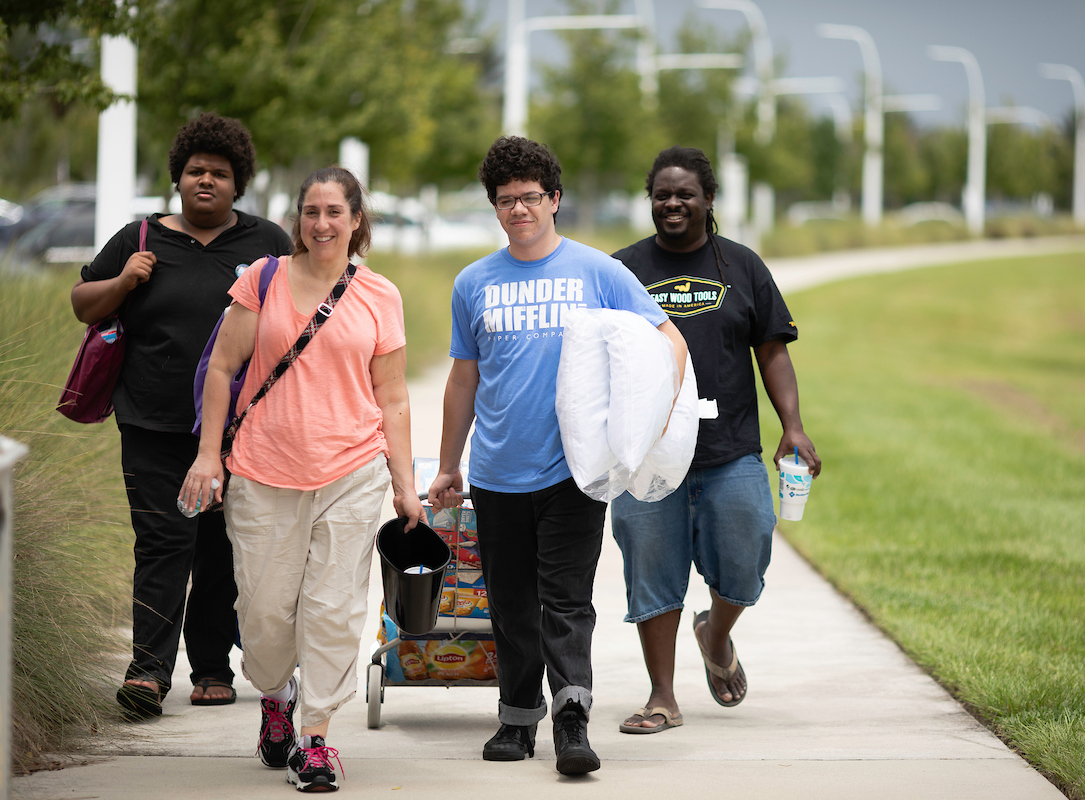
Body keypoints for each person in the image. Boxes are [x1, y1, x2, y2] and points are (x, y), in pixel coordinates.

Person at [427, 136, 687, 775]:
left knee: (567, 599)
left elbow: (668, 341)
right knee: (512, 603)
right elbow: (464, 378)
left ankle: (572, 719)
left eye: (531, 198)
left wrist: (647, 424)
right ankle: (517, 722)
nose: (520, 209)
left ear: (555, 200)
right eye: (506, 200)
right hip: (497, 472)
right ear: (494, 207)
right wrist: (447, 464)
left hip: (575, 469)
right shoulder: (473, 283)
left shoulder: (597, 271)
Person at [179, 166, 424, 793]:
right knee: (262, 613)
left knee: (335, 609)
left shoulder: (379, 294)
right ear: (298, 218)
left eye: (335, 212)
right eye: (311, 212)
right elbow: (222, 368)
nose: (322, 224)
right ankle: (276, 693)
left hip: (351, 470)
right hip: (263, 470)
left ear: (356, 219)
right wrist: (210, 455)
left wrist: (405, 483)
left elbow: (392, 397)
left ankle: (315, 738)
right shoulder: (262, 280)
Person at [70, 112, 292, 718]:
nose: (206, 181)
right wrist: (123, 280)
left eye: (219, 173)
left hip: (238, 430)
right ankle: (147, 671)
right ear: (178, 176)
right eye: (195, 170)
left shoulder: (267, 243)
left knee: (221, 549)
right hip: (151, 423)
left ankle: (213, 667)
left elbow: (298, 318)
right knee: (162, 544)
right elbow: (82, 303)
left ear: (237, 182)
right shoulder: (140, 238)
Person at [610, 145, 821, 734]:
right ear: (650, 200)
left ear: (708, 200)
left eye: (685, 194)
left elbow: (772, 351)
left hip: (731, 451)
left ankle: (716, 632)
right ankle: (661, 697)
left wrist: (793, 426)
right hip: (649, 460)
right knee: (651, 570)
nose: (672, 203)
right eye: (662, 194)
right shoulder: (623, 269)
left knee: (747, 552)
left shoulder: (742, 267)